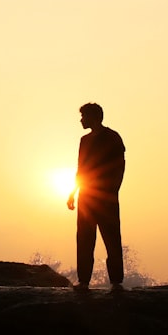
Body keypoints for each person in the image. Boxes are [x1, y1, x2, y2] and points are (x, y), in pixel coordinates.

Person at [66, 103, 126, 292]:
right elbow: (81, 170)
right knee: (84, 239)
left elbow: (120, 167)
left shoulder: (112, 137)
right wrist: (73, 193)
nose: (81, 120)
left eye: (84, 116)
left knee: (111, 239)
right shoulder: (84, 141)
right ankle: (83, 281)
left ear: (93, 117)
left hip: (106, 198)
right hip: (86, 197)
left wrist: (111, 191)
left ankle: (116, 282)